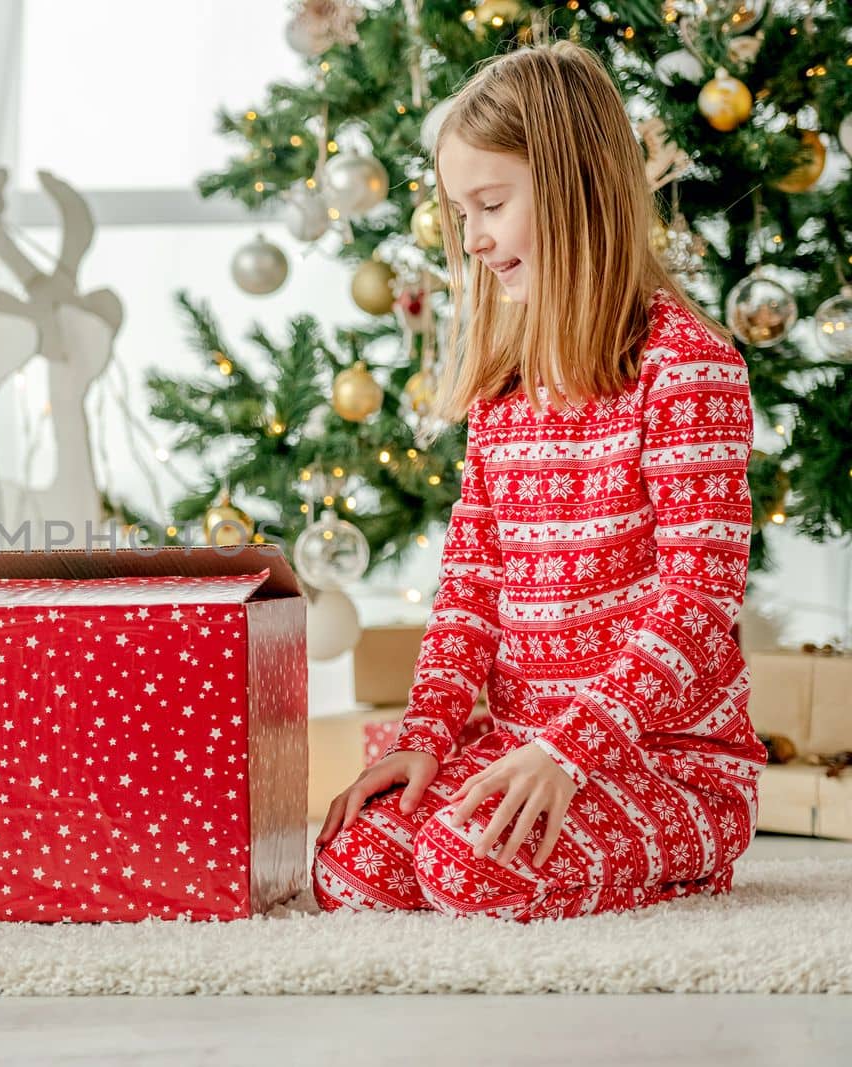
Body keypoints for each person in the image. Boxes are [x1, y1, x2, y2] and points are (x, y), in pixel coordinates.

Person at [313, 41, 764, 921]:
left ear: (572, 191)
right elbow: (470, 595)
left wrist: (571, 750)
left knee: (467, 869)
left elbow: (698, 604)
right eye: (460, 212)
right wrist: (427, 742)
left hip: (665, 761)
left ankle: (684, 851)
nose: (473, 238)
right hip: (522, 747)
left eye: (490, 204)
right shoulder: (506, 393)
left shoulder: (687, 367)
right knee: (355, 862)